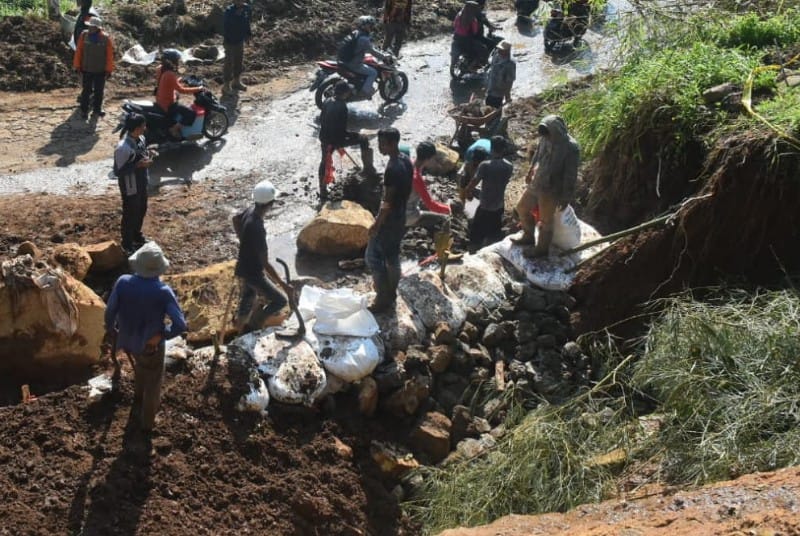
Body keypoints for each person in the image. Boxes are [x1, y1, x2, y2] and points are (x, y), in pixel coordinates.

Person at [104, 241, 187, 432]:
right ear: (158, 269)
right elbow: (181, 324)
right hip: (151, 345)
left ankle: (137, 401)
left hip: (128, 340)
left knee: (141, 370)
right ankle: (147, 424)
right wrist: (163, 335)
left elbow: (110, 312)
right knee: (153, 383)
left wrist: (112, 329)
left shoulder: (123, 282)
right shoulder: (163, 292)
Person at [232, 180, 294, 333]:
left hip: (243, 267)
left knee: (247, 298)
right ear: (270, 204)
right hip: (254, 273)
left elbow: (235, 219)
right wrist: (283, 285)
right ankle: (253, 325)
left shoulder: (250, 211)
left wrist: (244, 240)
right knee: (280, 301)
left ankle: (239, 327)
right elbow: (265, 264)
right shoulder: (257, 228)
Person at [514, 115, 580, 257]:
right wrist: (530, 171)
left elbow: (570, 175)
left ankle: (541, 250)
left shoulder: (571, 147)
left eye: (549, 133)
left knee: (546, 221)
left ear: (556, 131)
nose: (546, 137)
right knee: (522, 208)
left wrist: (565, 197)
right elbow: (537, 155)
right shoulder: (544, 139)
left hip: (551, 189)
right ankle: (528, 236)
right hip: (537, 181)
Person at [365, 127, 413, 313]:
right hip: (400, 217)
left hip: (389, 220)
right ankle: (391, 292)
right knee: (392, 256)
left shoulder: (392, 169)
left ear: (393, 143)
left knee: (373, 258)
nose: (379, 147)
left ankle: (382, 298)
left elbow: (387, 203)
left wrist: (376, 224)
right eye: (379, 143)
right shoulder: (406, 160)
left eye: (382, 144)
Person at [318, 80, 377, 203]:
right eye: (348, 92)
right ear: (345, 93)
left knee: (324, 161)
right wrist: (355, 135)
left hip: (324, 137)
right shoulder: (342, 107)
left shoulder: (327, 101)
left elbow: (322, 120)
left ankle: (322, 190)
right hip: (334, 139)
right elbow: (342, 132)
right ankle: (368, 170)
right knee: (363, 140)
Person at [114, 113, 153, 253]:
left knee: (141, 209)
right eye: (143, 126)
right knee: (130, 213)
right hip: (130, 186)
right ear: (135, 128)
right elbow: (118, 171)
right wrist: (138, 166)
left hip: (142, 182)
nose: (145, 128)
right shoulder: (122, 148)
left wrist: (149, 154)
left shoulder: (141, 139)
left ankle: (136, 235)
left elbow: (141, 154)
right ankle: (127, 243)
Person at [465, 135, 513, 249]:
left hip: (485, 205)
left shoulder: (485, 165)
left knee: (476, 234)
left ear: (491, 148)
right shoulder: (509, 166)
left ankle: (473, 249)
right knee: (494, 233)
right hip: (499, 204)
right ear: (504, 149)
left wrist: (468, 191)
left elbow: (474, 182)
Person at [155, 49, 203, 139]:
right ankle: (174, 129)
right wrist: (198, 89)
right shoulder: (170, 74)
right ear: (172, 61)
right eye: (176, 60)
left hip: (160, 100)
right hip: (168, 105)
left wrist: (178, 80)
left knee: (177, 95)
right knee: (191, 113)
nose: (178, 62)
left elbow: (165, 82)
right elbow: (182, 90)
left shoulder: (160, 69)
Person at [72, 16, 114, 119]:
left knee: (99, 92)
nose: (90, 28)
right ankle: (84, 110)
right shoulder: (84, 36)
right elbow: (79, 52)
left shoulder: (105, 38)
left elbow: (109, 56)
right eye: (89, 26)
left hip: (100, 71)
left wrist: (109, 70)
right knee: (86, 91)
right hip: (86, 69)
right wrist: (77, 66)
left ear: (98, 28)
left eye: (92, 27)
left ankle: (97, 109)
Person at [406, 141, 451, 231]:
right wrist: (448, 209)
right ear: (428, 159)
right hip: (407, 215)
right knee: (443, 219)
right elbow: (431, 205)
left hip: (396, 210)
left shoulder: (409, 164)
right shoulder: (417, 179)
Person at [341, 15, 390, 98]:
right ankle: (364, 92)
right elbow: (372, 51)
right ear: (365, 26)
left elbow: (361, 49)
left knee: (367, 60)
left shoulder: (355, 33)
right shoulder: (364, 38)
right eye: (370, 25)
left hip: (343, 59)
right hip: (353, 64)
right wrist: (384, 57)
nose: (371, 27)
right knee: (373, 72)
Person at [222, 0, 252, 95]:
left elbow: (247, 22)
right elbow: (226, 26)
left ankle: (236, 81)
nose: (240, 2)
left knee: (239, 60)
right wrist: (236, 16)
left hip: (240, 40)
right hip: (230, 40)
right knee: (229, 63)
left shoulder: (247, 8)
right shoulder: (229, 11)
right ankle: (226, 85)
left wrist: (248, 35)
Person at [485, 40, 515, 108]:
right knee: (487, 107)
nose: (499, 50)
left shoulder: (510, 64)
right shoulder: (496, 55)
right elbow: (491, 66)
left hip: (498, 93)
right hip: (490, 88)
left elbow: (509, 82)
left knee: (495, 110)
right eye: (499, 48)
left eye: (501, 49)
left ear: (507, 51)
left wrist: (507, 96)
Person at [452, 1, 483, 67]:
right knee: (476, 52)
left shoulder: (459, 14)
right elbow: (475, 31)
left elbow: (454, 24)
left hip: (456, 36)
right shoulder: (473, 18)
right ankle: (471, 65)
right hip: (466, 39)